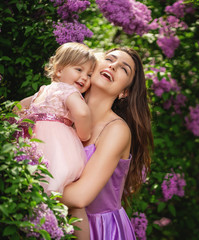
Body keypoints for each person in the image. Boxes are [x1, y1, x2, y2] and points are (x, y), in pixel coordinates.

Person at [60, 47, 154, 240]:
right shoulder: (61, 107)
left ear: (124, 92)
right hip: (56, 219)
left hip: (101, 230)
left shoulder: (117, 131)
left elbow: (80, 198)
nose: (113, 66)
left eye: (123, 69)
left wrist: (30, 187)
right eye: (109, 59)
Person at [16, 42, 96, 239]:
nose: (84, 77)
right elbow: (83, 113)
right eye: (79, 69)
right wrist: (84, 135)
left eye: (89, 74)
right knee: (68, 207)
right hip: (57, 149)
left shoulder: (43, 91)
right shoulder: (67, 91)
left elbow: (18, 108)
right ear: (59, 70)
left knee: (38, 197)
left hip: (41, 150)